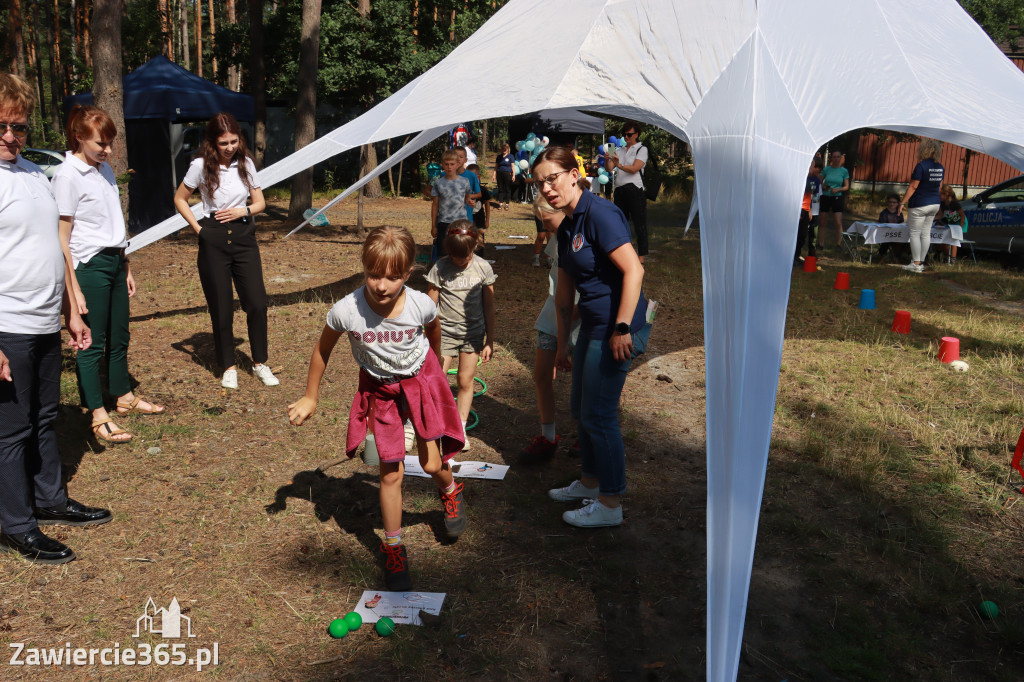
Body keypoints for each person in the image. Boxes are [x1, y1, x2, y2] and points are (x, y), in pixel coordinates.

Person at [287, 226, 467, 591]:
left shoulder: (420, 304)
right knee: (390, 473)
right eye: (373, 275)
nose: (381, 285)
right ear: (364, 267)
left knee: (432, 463)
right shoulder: (346, 310)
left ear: (407, 273)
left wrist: (438, 366)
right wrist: (310, 396)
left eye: (391, 277)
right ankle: (394, 547)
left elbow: (434, 331)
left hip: (419, 381)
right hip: (381, 390)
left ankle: (450, 491)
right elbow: (322, 350)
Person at [0, 72, 111, 565]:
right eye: (1, 126)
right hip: (8, 325)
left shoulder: (32, 174)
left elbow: (55, 247)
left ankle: (49, 500)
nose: (10, 136)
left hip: (44, 319)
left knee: (44, 419)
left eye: (19, 127)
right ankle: (18, 524)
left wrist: (71, 309)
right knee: (10, 430)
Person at [535, 146, 650, 528]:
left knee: (600, 416)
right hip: (591, 328)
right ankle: (589, 482)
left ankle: (611, 502)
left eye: (553, 178)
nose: (548, 188)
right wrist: (564, 342)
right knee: (580, 408)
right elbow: (565, 294)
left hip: (617, 327)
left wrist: (622, 328)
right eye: (540, 183)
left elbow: (634, 271)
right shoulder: (567, 226)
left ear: (573, 174)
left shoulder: (600, 213)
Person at [52, 105, 165, 444]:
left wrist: (126, 264)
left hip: (115, 261)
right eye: (101, 143)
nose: (108, 150)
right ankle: (97, 413)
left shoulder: (104, 171)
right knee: (91, 342)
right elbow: (61, 237)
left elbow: (113, 223)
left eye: (111, 143)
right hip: (89, 266)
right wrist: (74, 289)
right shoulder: (67, 175)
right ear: (78, 137)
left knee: (120, 336)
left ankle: (123, 396)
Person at [173, 112, 278, 389]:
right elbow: (180, 198)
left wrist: (242, 210)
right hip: (213, 238)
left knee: (256, 302)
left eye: (234, 140)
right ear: (212, 143)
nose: (230, 147)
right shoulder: (199, 165)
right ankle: (228, 365)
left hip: (244, 237)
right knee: (221, 308)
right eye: (224, 143)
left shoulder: (245, 163)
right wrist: (200, 230)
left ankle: (260, 362)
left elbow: (260, 203)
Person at [425, 221, 496, 452]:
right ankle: (425, 424)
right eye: (454, 256)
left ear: (475, 246)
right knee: (435, 380)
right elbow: (429, 305)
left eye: (463, 256)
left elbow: (489, 305)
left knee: (465, 381)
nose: (458, 261)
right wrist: (425, 335)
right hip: (443, 333)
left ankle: (460, 429)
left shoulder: (483, 268)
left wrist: (490, 340)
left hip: (472, 335)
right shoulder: (440, 267)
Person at [520, 195, 581, 464]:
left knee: (586, 382)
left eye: (547, 220)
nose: (545, 227)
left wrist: (564, 342)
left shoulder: (581, 237)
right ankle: (548, 435)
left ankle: (586, 434)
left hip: (581, 316)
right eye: (541, 221)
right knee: (541, 375)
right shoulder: (559, 237)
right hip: (554, 313)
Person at [605, 122, 650, 263]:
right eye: (624, 134)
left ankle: (641, 257)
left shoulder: (642, 149)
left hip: (635, 189)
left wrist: (619, 164)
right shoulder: (618, 150)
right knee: (620, 223)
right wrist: (608, 160)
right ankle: (624, 254)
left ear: (637, 134)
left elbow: (635, 168)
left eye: (629, 134)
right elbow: (609, 169)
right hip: (619, 190)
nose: (626, 137)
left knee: (639, 224)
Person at [898, 139, 944, 273]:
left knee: (915, 233)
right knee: (926, 233)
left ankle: (916, 263)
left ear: (924, 150)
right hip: (934, 203)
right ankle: (921, 262)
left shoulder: (921, 166)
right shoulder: (940, 167)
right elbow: (939, 187)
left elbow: (913, 186)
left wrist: (902, 202)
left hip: (920, 204)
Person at [430, 149, 472, 261]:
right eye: (446, 164)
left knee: (461, 250)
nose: (449, 167)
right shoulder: (438, 183)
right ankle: (444, 274)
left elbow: (468, 198)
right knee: (443, 252)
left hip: (461, 222)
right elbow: (435, 205)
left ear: (458, 164)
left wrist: (470, 202)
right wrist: (433, 226)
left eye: (452, 164)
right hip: (444, 222)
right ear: (442, 165)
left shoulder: (465, 181)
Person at [819, 150, 850, 252]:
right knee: (823, 222)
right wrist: (823, 186)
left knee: (838, 222)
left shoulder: (844, 171)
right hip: (826, 196)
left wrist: (838, 189)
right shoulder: (827, 169)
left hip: (837, 196)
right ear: (831, 158)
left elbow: (846, 187)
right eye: (834, 157)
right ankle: (820, 244)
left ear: (841, 158)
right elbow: (819, 181)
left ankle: (838, 244)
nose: (836, 159)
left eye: (838, 157)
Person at [795, 161, 821, 266]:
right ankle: (792, 256)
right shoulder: (801, 178)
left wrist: (810, 210)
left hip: (806, 209)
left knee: (803, 235)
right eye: (814, 166)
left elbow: (810, 196)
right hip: (799, 208)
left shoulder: (816, 180)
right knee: (797, 234)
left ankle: (797, 255)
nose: (816, 169)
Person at [937, 184, 965, 264]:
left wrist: (960, 227)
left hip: (958, 224)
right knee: (944, 240)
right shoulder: (942, 204)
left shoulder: (954, 204)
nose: (940, 197)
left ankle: (953, 260)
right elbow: (940, 215)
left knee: (953, 241)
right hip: (948, 224)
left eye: (941, 195)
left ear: (946, 195)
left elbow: (962, 215)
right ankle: (944, 257)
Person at [874, 193, 905, 263]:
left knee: (902, 241)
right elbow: (882, 225)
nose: (892, 204)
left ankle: (897, 257)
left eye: (894, 202)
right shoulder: (884, 213)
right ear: (887, 202)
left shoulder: (899, 213)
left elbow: (901, 225)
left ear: (898, 203)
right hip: (885, 235)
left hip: (897, 235)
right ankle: (882, 256)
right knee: (886, 242)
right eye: (890, 202)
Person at [454, 146, 482, 221]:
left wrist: (467, 196)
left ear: (466, 160)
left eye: (461, 157)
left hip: (466, 218)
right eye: (455, 156)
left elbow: (479, 194)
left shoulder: (471, 176)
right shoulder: (444, 175)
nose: (458, 159)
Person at [466, 163, 491, 246]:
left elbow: (487, 204)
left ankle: (480, 255)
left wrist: (487, 220)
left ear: (478, 177)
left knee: (479, 238)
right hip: (467, 218)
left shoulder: (482, 190)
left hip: (479, 218)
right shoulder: (465, 189)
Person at [492, 143, 515, 211]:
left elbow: (513, 166)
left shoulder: (511, 156)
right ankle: (501, 203)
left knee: (507, 189)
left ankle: (507, 204)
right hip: (499, 173)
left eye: (505, 149)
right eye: (503, 149)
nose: (504, 150)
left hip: (508, 173)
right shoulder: (499, 157)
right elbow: (496, 167)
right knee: (500, 189)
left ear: (508, 149)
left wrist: (514, 175)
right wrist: (494, 175)